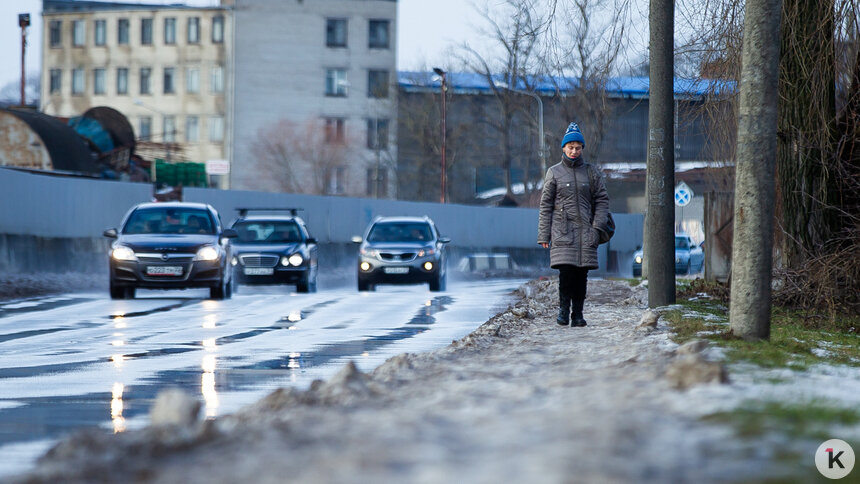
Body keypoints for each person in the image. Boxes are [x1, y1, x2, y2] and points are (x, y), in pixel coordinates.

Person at [537, 123, 610, 327]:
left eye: (578, 147)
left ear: (582, 149)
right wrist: (544, 235)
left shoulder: (592, 173)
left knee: (581, 275)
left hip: (587, 232)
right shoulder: (554, 172)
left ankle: (578, 314)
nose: (574, 151)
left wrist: (597, 227)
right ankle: (563, 311)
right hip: (562, 231)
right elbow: (545, 205)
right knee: (566, 273)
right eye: (570, 147)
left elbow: (603, 201)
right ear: (563, 148)